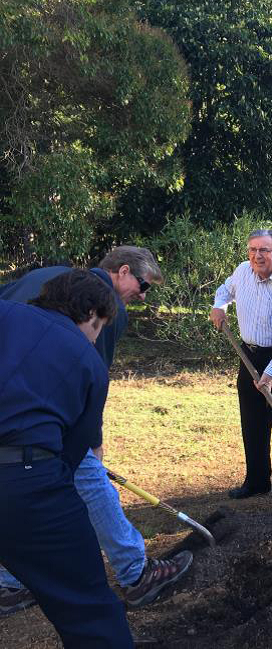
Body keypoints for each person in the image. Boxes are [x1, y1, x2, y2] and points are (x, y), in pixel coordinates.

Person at [0, 247, 192, 616]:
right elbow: (90, 379)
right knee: (88, 477)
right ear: (122, 271)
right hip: (43, 415)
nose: (142, 296)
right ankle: (137, 575)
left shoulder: (52, 276)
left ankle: (10, 582)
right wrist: (94, 444)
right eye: (144, 285)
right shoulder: (102, 306)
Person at [0, 270, 134, 647]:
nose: (96, 340)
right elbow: (72, 453)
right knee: (89, 609)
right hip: (27, 483)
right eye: (100, 329)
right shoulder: (90, 365)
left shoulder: (5, 314)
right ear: (91, 314)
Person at [210, 230, 272, 503]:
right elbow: (225, 290)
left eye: (264, 250)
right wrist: (219, 306)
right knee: (252, 420)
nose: (257, 255)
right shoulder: (243, 271)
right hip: (249, 355)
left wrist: (269, 373)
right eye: (253, 249)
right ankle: (256, 481)